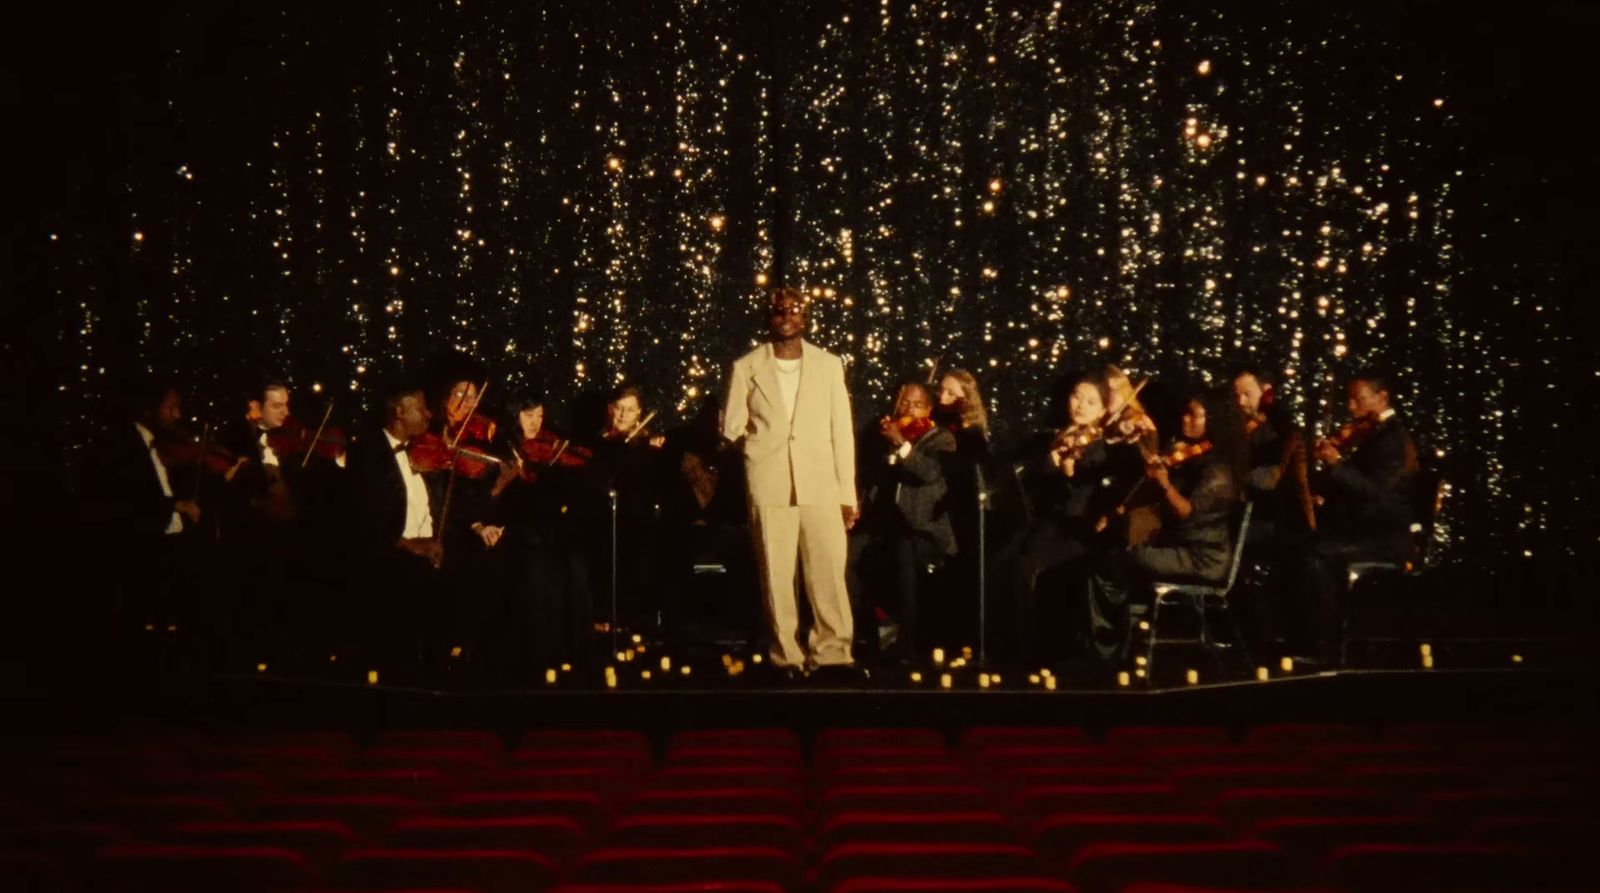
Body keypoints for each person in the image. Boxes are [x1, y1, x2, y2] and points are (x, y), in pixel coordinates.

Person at [722, 287, 858, 677]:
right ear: (769, 317)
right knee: (777, 573)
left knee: (827, 572)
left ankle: (833, 653)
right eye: (778, 311)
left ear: (806, 318)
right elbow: (730, 428)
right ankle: (786, 655)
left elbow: (841, 432)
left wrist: (846, 493)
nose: (786, 317)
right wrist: (757, 447)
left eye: (794, 311)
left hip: (821, 484)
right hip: (771, 481)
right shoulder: (746, 367)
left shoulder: (829, 365)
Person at [1090, 388, 1249, 662]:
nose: (1184, 419)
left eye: (1193, 415)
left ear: (1213, 420)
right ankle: (1117, 646)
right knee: (1114, 556)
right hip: (1181, 548)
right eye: (1185, 413)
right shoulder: (1192, 457)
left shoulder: (1218, 471)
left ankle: (1109, 650)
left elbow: (1186, 512)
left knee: (1111, 566)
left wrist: (1164, 483)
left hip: (1202, 558)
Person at [1290, 371, 1420, 664]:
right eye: (1349, 399)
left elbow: (1378, 496)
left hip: (1386, 539)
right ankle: (1307, 637)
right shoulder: (1371, 434)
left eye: (1358, 399)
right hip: (1366, 532)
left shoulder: (1393, 440)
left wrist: (1337, 466)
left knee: (1317, 555)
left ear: (1382, 398)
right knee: (1302, 545)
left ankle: (1328, 647)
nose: (1351, 407)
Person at [994, 374, 1120, 666]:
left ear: (1103, 410)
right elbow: (1034, 484)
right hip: (1045, 524)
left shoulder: (1101, 446)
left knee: (1025, 568)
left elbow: (1086, 491)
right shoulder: (1058, 437)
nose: (1081, 405)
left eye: (1091, 401)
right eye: (1077, 396)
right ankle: (1005, 646)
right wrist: (1051, 462)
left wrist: (1068, 474)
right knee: (1001, 561)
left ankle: (1030, 652)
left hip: (1076, 528)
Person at [848, 382, 956, 662]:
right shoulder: (879, 437)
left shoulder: (940, 438)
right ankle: (868, 628)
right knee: (849, 554)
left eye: (916, 404)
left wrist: (902, 445)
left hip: (923, 531)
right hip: (884, 527)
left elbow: (929, 473)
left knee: (904, 550)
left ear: (928, 409)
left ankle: (907, 641)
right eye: (904, 403)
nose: (908, 409)